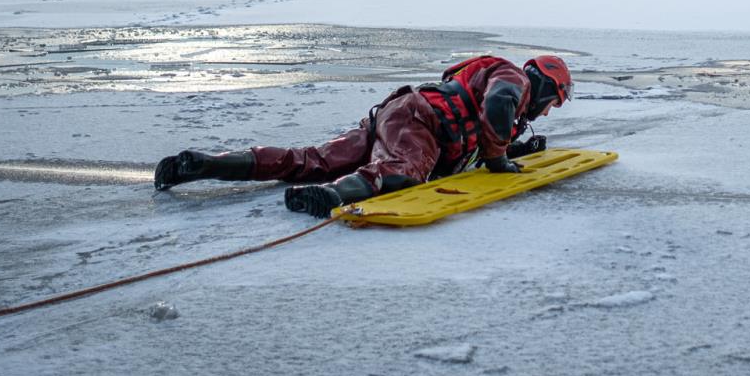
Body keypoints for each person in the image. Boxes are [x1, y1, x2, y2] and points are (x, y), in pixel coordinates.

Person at [153, 54, 573, 217]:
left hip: (397, 114)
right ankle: (332, 196)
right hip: (421, 122)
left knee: (310, 160)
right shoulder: (512, 78)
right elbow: (498, 107)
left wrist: (517, 148)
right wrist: (500, 160)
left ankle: (206, 164)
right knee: (402, 174)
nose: (547, 111)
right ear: (547, 87)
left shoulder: (499, 88)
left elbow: (487, 130)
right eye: (553, 103)